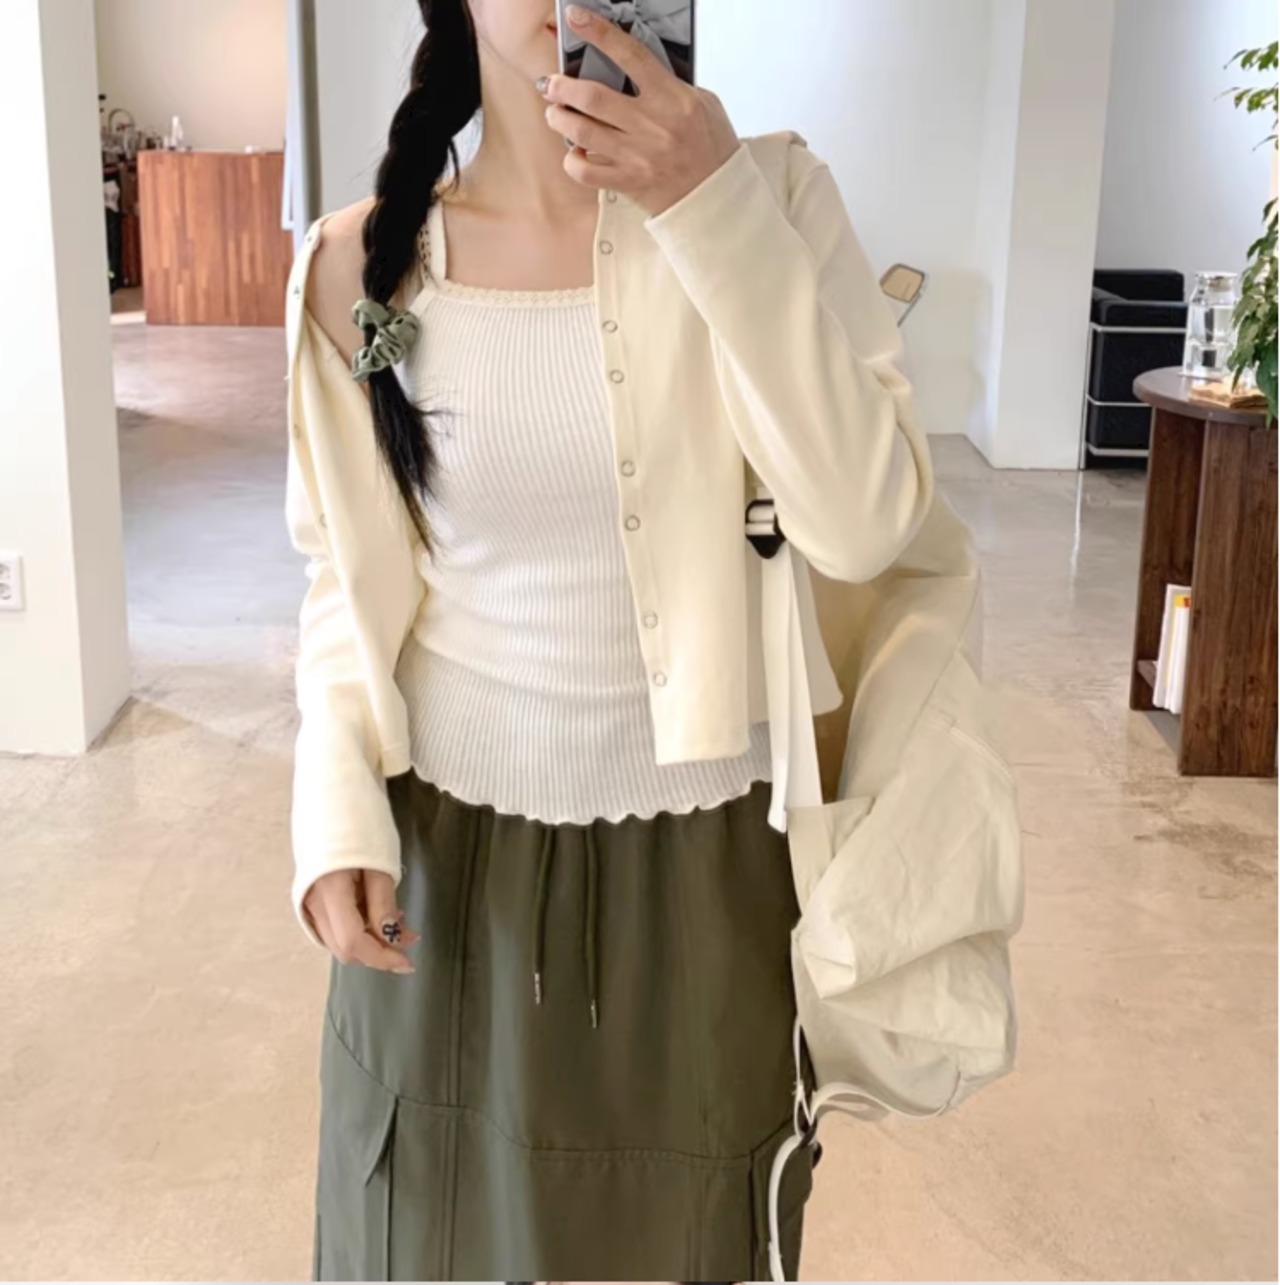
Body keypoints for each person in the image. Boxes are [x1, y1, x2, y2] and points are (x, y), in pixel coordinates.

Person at [284, 0, 935, 1280]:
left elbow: (865, 524)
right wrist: (333, 808)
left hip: (706, 863)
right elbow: (341, 576)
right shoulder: (359, 264)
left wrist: (707, 205)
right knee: (430, 1236)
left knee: (696, 1238)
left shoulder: (772, 198)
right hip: (443, 862)